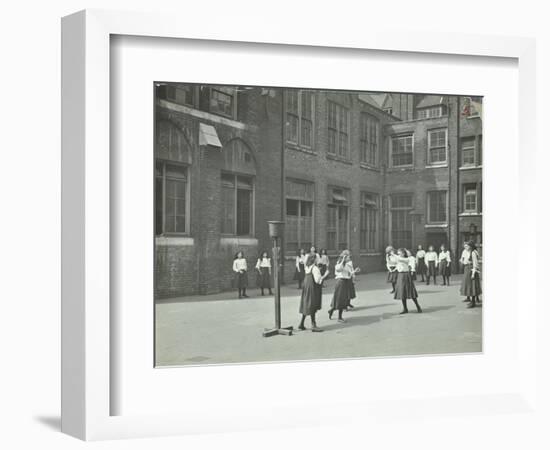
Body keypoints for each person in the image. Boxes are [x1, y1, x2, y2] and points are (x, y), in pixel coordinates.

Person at [298, 254, 329, 332]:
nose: (318, 260)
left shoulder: (307, 267)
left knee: (307, 304)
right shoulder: (315, 268)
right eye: (316, 259)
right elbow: (317, 280)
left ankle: (301, 324)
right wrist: (325, 275)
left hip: (307, 288)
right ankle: (313, 325)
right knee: (313, 305)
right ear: (314, 260)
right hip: (313, 288)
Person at [394, 248, 422, 314]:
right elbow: (392, 262)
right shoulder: (398, 258)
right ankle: (405, 309)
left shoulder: (407, 259)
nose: (398, 254)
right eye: (398, 253)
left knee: (411, 292)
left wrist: (393, 254)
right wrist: (388, 258)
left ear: (403, 253)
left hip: (406, 275)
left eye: (399, 253)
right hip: (400, 275)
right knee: (402, 292)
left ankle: (418, 307)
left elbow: (401, 259)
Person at [328, 250, 353, 323]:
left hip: (345, 282)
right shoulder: (339, 263)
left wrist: (354, 272)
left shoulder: (348, 264)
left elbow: (349, 274)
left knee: (341, 299)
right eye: (348, 256)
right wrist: (342, 260)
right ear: (344, 257)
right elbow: (338, 269)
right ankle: (339, 317)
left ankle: (331, 310)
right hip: (341, 282)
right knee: (340, 299)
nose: (349, 257)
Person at [460, 241, 482, 308]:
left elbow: (475, 264)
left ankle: (473, 302)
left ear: (471, 246)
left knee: (472, 286)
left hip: (471, 270)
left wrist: (473, 273)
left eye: (467, 246)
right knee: (470, 286)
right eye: (466, 246)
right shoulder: (470, 252)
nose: (466, 247)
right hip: (468, 269)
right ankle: (471, 300)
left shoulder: (473, 253)